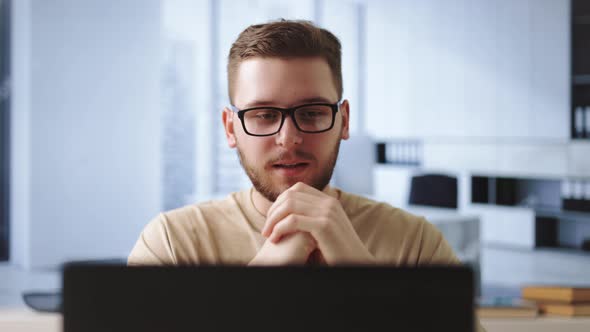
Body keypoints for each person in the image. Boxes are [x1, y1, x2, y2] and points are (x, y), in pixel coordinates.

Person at [127, 20, 461, 268]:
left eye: (313, 113)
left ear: (343, 121)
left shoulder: (416, 244)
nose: (288, 138)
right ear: (230, 128)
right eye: (263, 115)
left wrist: (361, 274)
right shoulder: (172, 244)